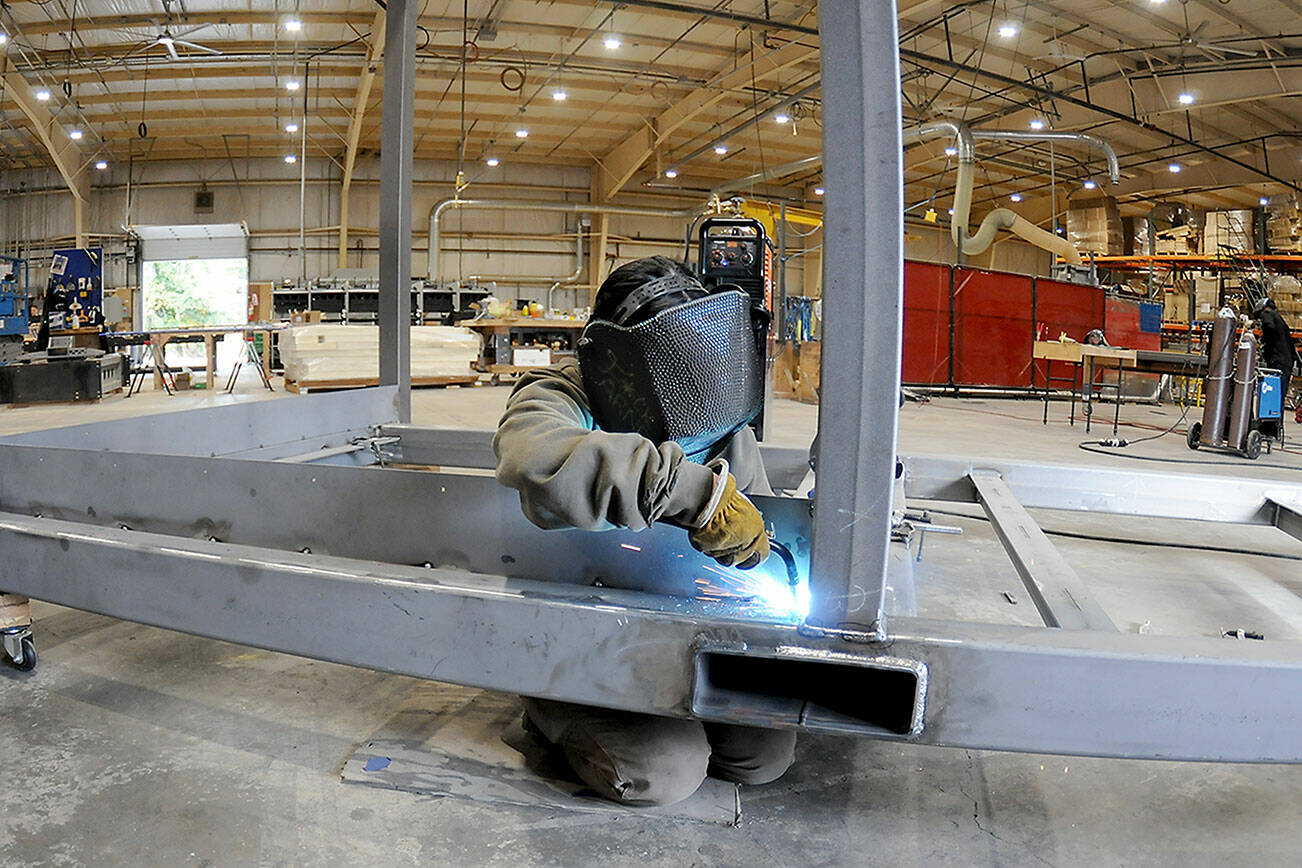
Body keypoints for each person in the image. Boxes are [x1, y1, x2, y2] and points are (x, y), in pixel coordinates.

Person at [493, 255, 796, 806]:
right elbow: (532, 458)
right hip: (585, 627)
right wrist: (690, 494)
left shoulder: (712, 395)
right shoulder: (563, 394)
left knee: (761, 758)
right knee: (666, 771)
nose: (684, 379)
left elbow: (745, 526)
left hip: (685, 620)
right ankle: (551, 712)